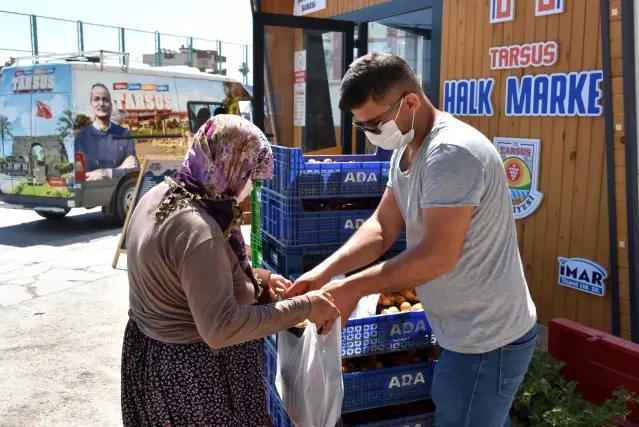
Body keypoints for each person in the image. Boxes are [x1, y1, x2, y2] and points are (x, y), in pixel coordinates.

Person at [287, 52, 538, 427]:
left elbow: (436, 257)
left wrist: (352, 288)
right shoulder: (406, 148)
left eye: (375, 123)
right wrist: (325, 273)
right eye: (362, 127)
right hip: (460, 332)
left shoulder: (451, 153)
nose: (372, 133)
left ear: (410, 102)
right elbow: (383, 228)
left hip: (488, 338)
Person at [120, 114, 340, 427]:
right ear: (229, 165)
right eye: (251, 176)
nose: (251, 187)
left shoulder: (161, 195)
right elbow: (220, 328)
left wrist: (260, 281)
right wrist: (303, 307)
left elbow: (187, 276)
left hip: (153, 361)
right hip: (194, 377)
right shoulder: (198, 230)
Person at [74, 83, 138, 181]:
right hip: (92, 194)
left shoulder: (124, 134)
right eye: (96, 99)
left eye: (105, 99)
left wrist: (105, 173)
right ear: (91, 104)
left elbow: (134, 170)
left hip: (121, 193)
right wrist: (120, 168)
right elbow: (82, 176)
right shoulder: (81, 138)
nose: (101, 103)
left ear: (111, 105)